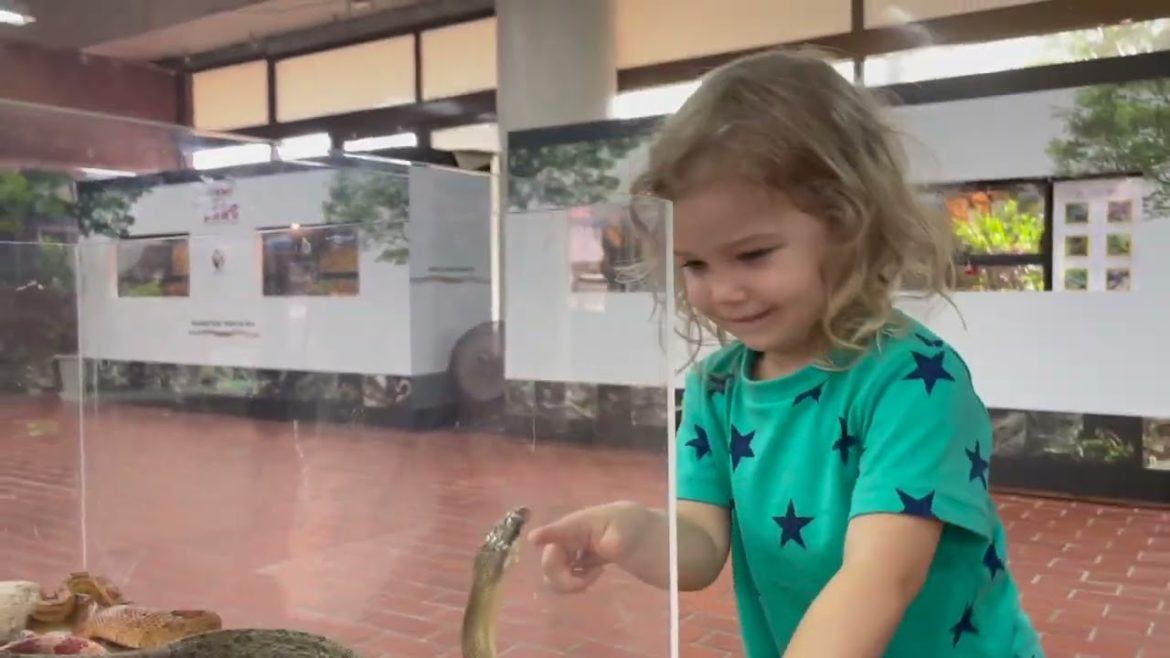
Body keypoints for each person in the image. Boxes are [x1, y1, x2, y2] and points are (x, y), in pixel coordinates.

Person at [525, 47, 1044, 658]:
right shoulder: (715, 388)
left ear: (848, 225)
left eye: (753, 255)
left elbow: (881, 576)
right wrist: (631, 532)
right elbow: (698, 546)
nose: (723, 290)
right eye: (695, 263)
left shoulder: (913, 381)